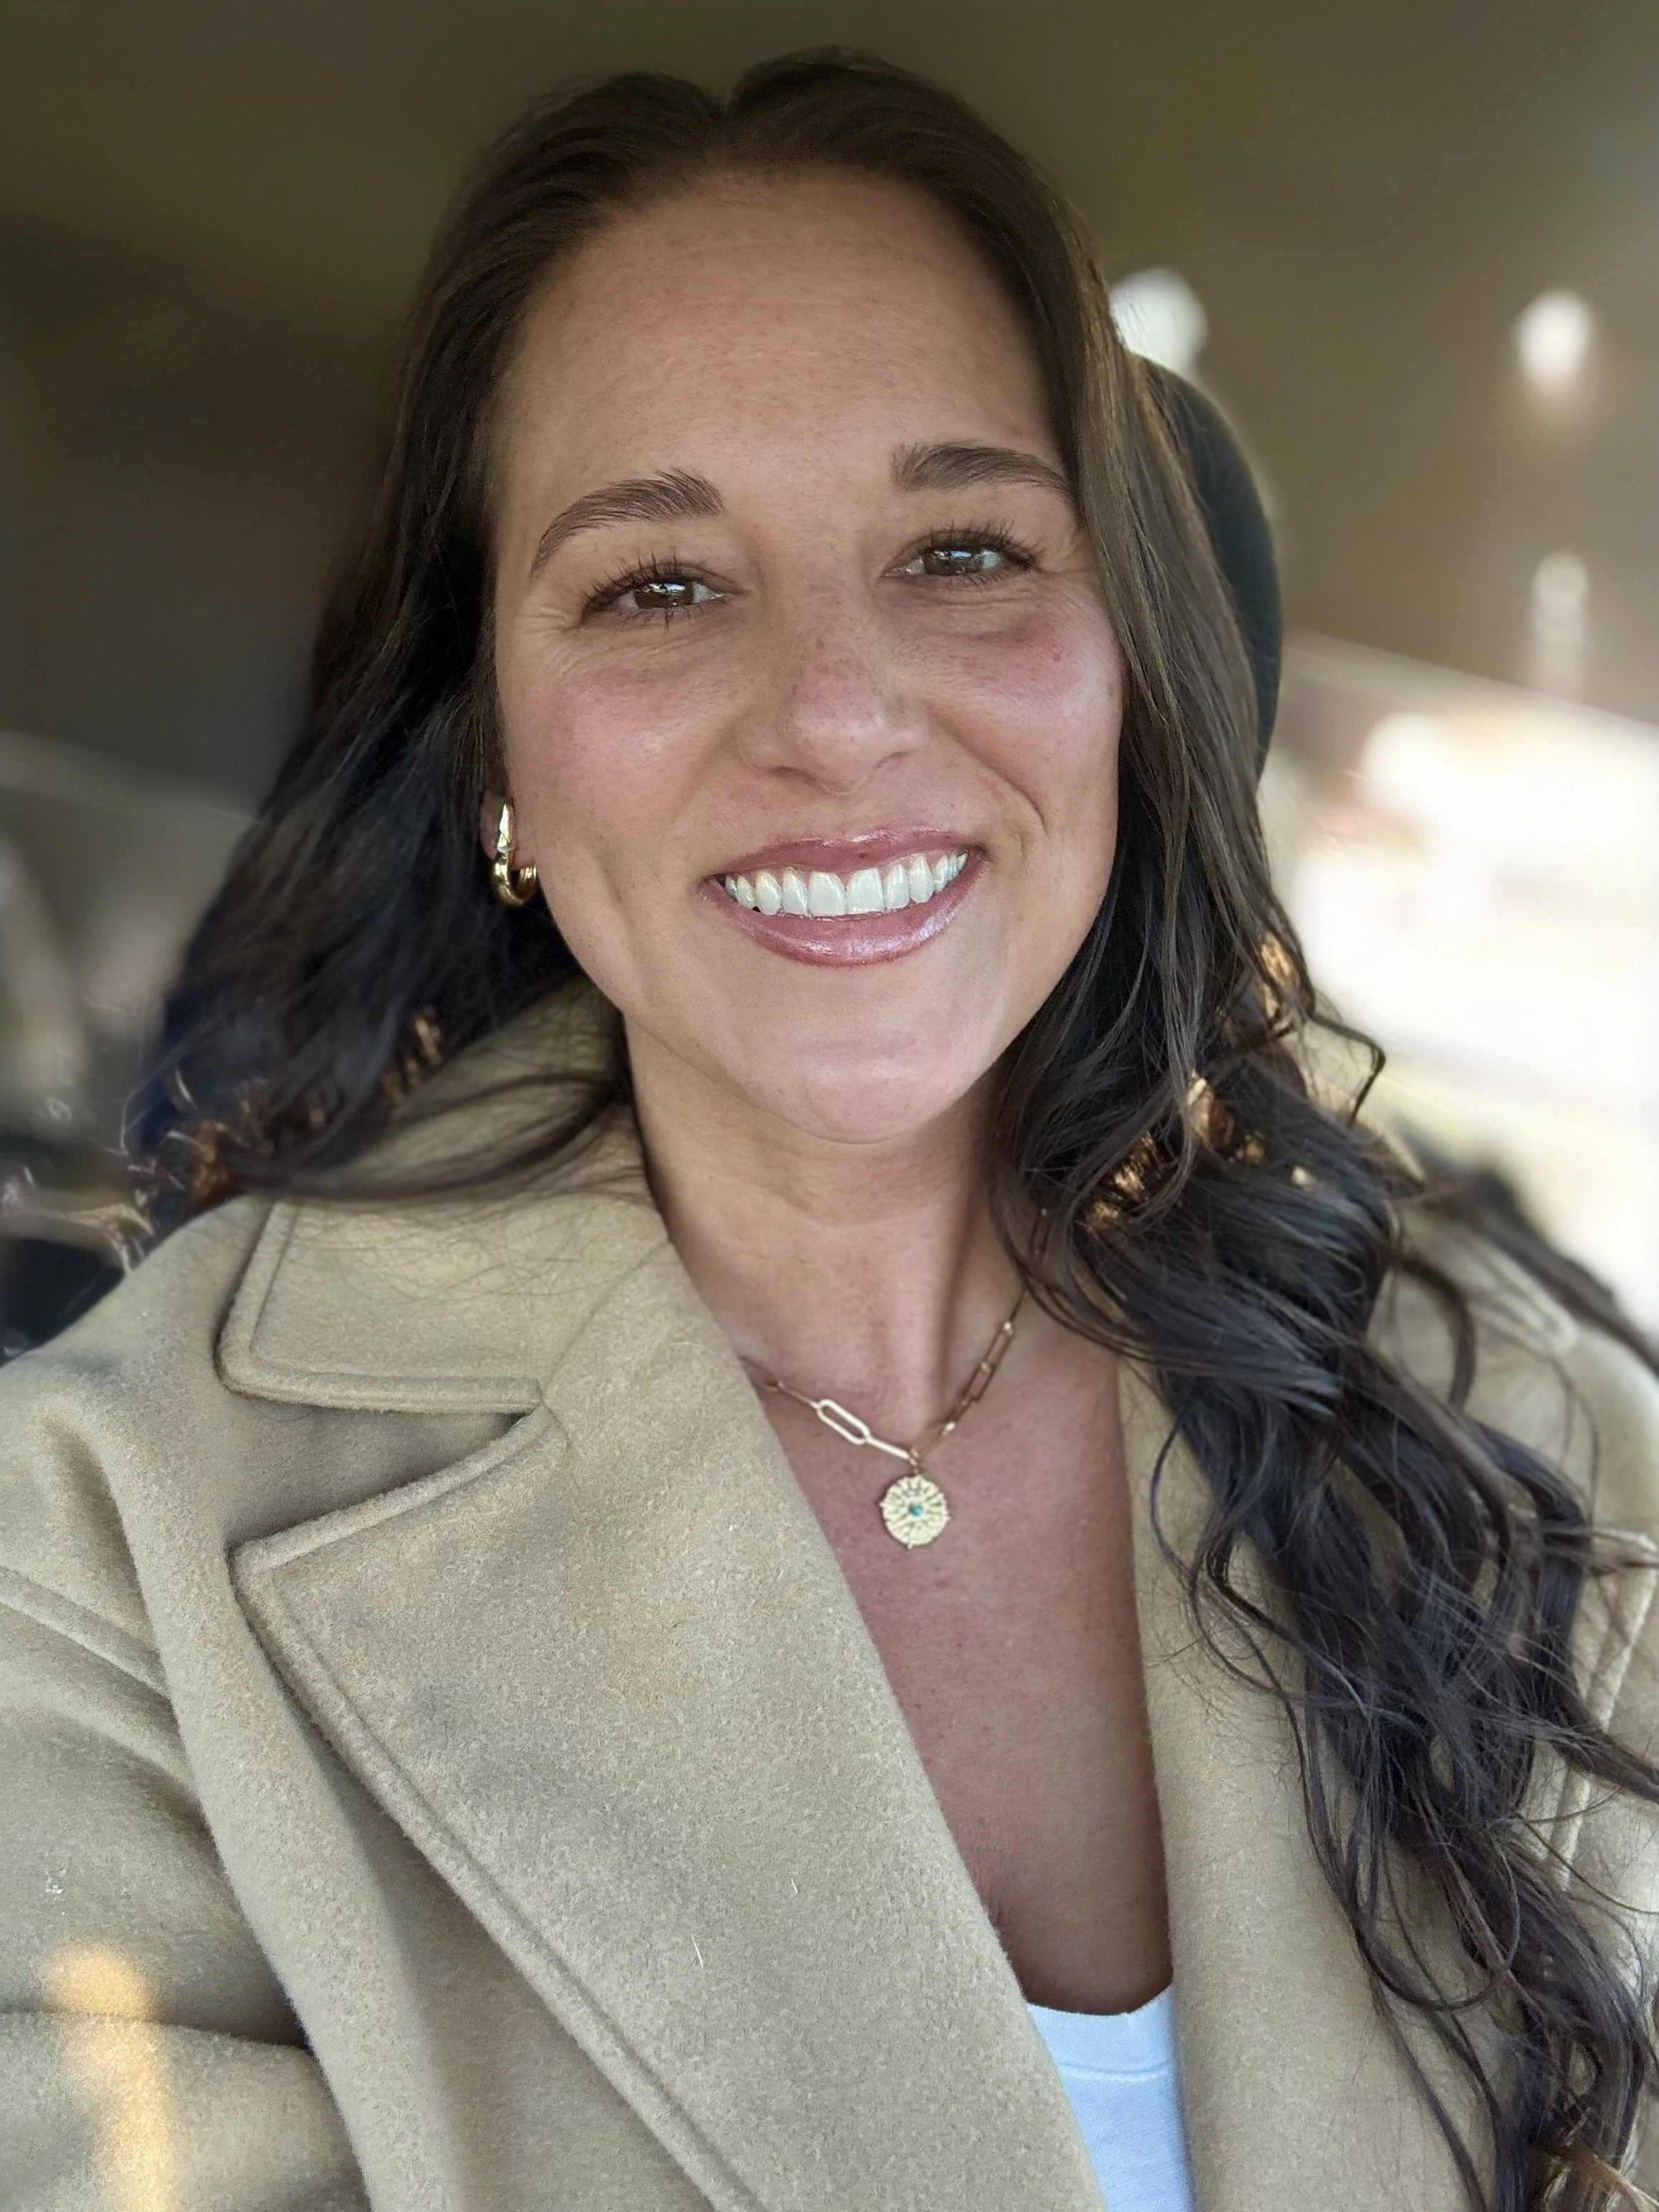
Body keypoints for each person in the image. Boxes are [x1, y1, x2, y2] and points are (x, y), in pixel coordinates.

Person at [3, 49, 1657, 2212]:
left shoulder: (1533, 1429)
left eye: (962, 547)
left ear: (1127, 671)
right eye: (660, 586)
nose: (841, 716)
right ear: (493, 742)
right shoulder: (108, 1541)